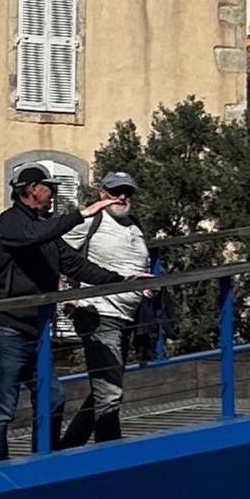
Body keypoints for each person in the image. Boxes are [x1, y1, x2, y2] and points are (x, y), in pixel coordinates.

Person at [0, 169, 90, 463]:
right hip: (4, 327)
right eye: (49, 188)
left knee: (53, 396)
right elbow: (31, 236)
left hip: (34, 330)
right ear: (33, 189)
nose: (54, 194)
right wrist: (83, 214)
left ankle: (42, 458)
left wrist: (121, 277)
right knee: (2, 408)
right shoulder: (10, 222)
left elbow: (74, 264)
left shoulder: (43, 230)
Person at [54, 173, 154, 447]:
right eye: (114, 191)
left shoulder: (135, 225)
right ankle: (110, 453)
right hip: (98, 313)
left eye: (126, 192)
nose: (121, 197)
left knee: (107, 384)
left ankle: (69, 446)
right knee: (110, 391)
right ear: (102, 194)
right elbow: (55, 251)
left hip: (127, 316)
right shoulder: (90, 222)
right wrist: (68, 295)